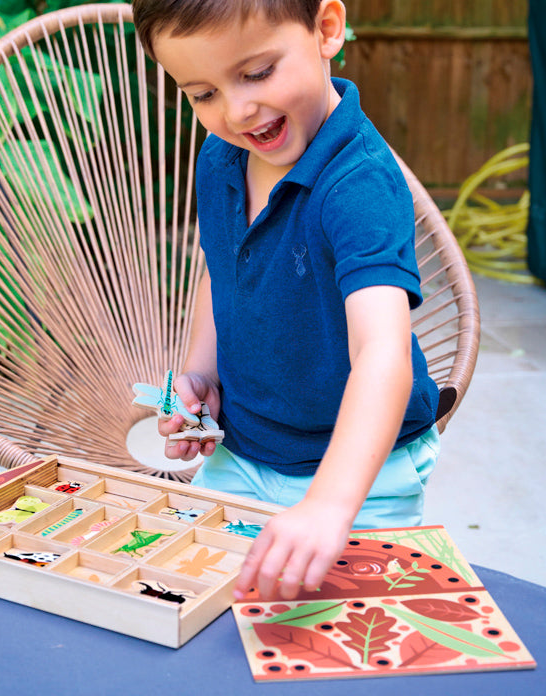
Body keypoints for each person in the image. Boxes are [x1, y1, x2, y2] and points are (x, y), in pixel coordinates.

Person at [131, 0, 441, 602]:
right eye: (202, 94)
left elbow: (383, 352)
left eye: (256, 74)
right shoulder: (222, 156)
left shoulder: (359, 185)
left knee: (346, 632)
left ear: (327, 29)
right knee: (198, 613)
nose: (236, 110)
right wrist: (200, 375)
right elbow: (221, 269)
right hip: (244, 454)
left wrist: (327, 505)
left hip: (360, 477)